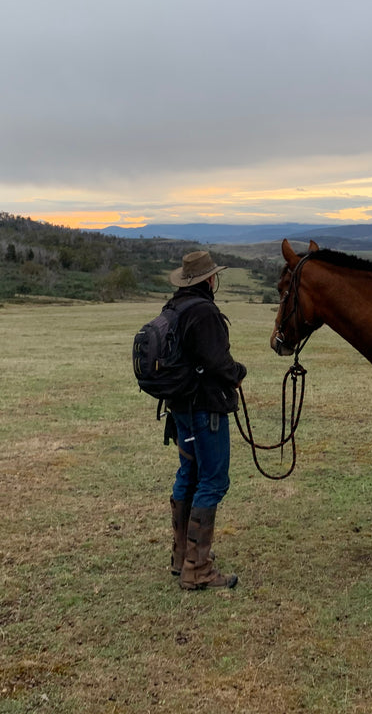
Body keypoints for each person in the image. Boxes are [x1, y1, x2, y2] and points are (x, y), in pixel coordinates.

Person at [165, 250, 247, 590]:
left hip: (180, 408)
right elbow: (218, 363)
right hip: (206, 409)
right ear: (209, 280)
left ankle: (181, 556)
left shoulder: (173, 308)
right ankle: (197, 569)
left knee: (189, 473)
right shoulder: (204, 312)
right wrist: (238, 372)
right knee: (213, 480)